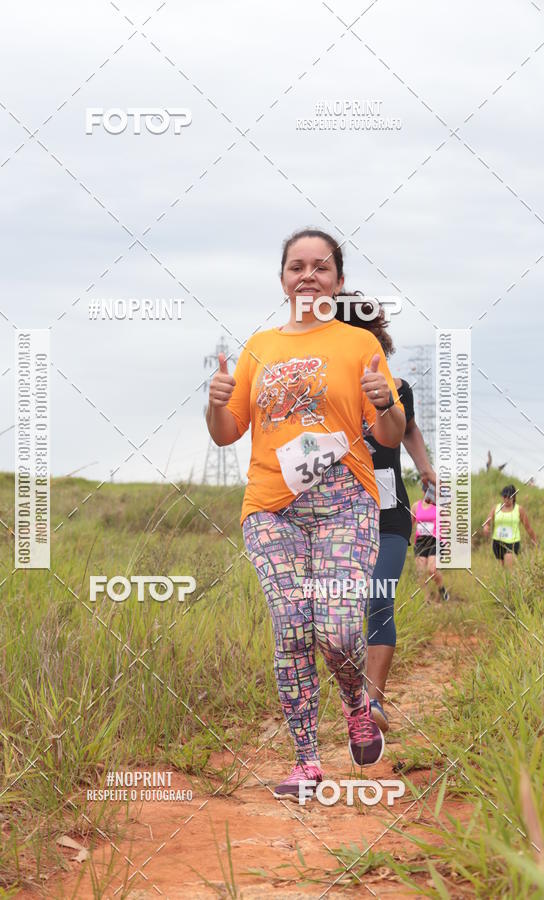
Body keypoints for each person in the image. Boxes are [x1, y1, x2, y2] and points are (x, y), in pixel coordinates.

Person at [206, 228, 405, 800]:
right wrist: (214, 404)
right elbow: (226, 433)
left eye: (321, 267)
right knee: (292, 627)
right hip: (273, 509)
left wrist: (385, 401)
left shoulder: (358, 345)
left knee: (339, 631)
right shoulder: (259, 347)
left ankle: (357, 704)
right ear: (283, 279)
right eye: (297, 266)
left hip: (346, 504)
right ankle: (306, 762)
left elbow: (390, 434)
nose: (308, 275)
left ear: (338, 281)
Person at [336, 293, 437, 734]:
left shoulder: (398, 388)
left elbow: (409, 429)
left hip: (389, 512)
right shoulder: (321, 391)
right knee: (340, 611)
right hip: (337, 514)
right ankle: (350, 694)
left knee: (379, 599)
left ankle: (371, 703)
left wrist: (425, 467)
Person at [483, 484, 537, 567]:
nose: (506, 499)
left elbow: (528, 527)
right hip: (497, 542)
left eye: (509, 497)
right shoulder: (496, 508)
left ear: (514, 497)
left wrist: (534, 541)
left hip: (512, 543)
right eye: (504, 497)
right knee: (501, 570)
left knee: (509, 569)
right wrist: (486, 527)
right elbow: (487, 522)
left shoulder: (519, 509)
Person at [411, 494, 450, 601]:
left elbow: (448, 524)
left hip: (435, 540)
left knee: (432, 570)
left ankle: (441, 588)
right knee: (421, 572)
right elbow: (410, 523)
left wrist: (445, 542)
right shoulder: (416, 506)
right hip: (420, 541)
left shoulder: (440, 507)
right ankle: (426, 600)